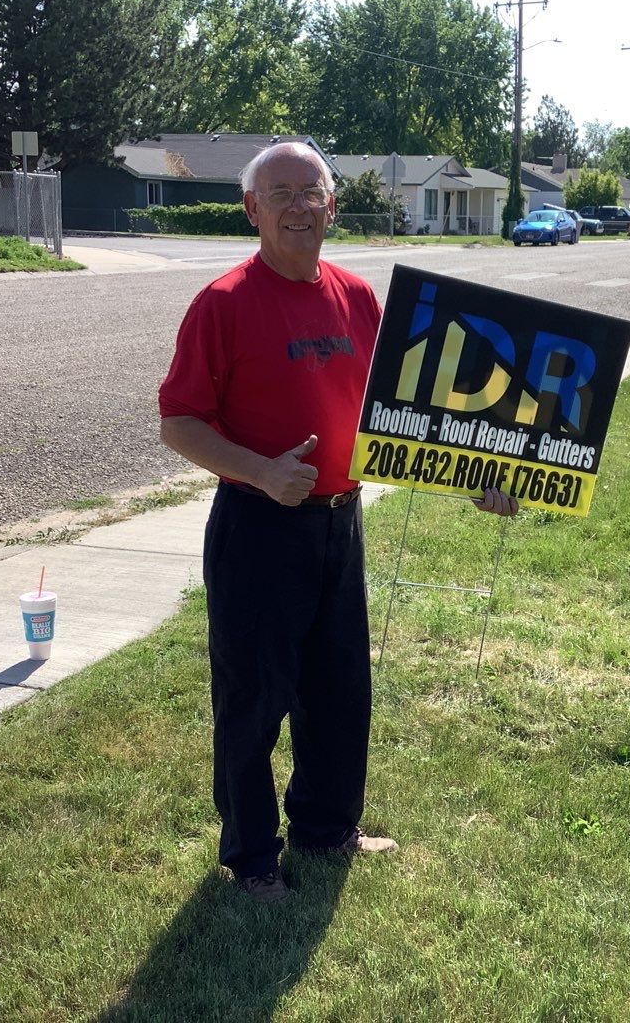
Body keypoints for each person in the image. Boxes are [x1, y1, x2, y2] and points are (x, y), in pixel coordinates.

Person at [158, 142, 518, 903]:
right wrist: (258, 469)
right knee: (254, 699)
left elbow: (401, 416)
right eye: (279, 193)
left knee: (339, 689)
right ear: (252, 209)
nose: (298, 206)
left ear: (332, 205)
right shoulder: (223, 303)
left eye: (311, 192)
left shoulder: (357, 297)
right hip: (258, 526)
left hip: (338, 523)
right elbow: (179, 422)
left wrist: (478, 475)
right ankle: (252, 859)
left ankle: (326, 826)